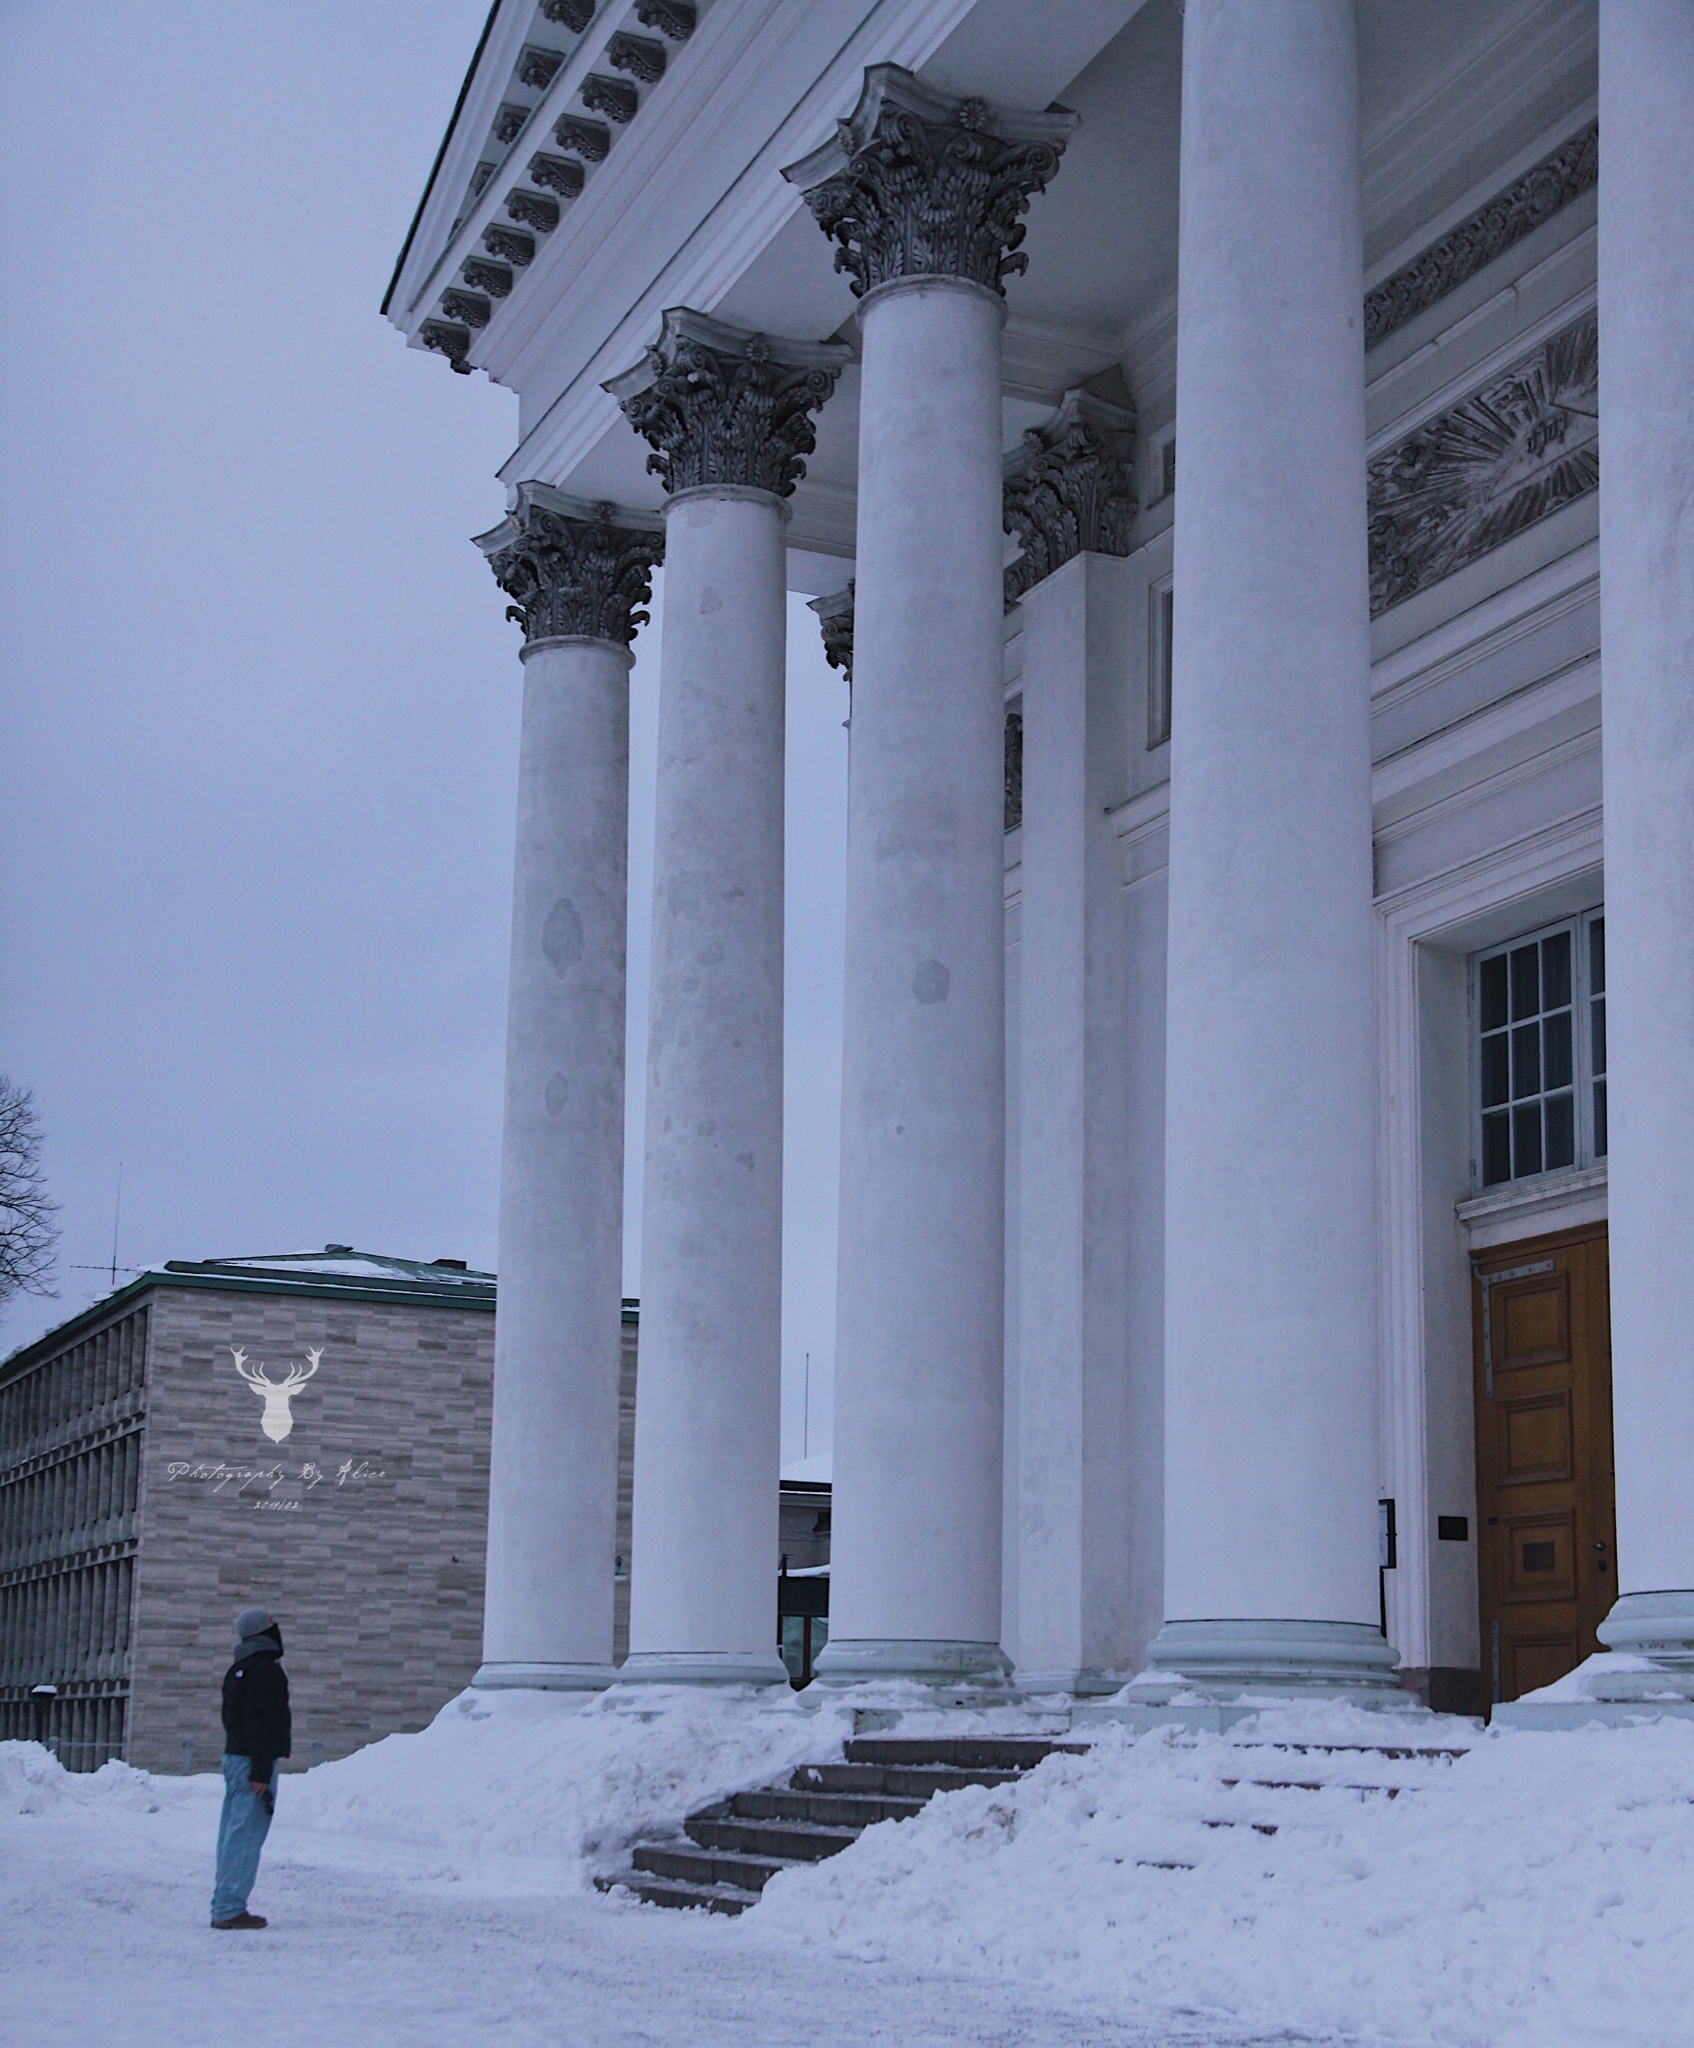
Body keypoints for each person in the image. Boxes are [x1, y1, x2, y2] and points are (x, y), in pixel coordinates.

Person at [210, 1604, 291, 1930]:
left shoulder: (239, 1668)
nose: (276, 1626)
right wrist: (260, 1770)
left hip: (235, 1758)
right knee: (244, 1838)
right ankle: (229, 1909)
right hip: (253, 1763)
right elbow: (261, 1721)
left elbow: (234, 1720)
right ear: (261, 1631)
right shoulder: (266, 1670)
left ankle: (224, 1903)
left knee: (231, 1836)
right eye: (272, 1622)